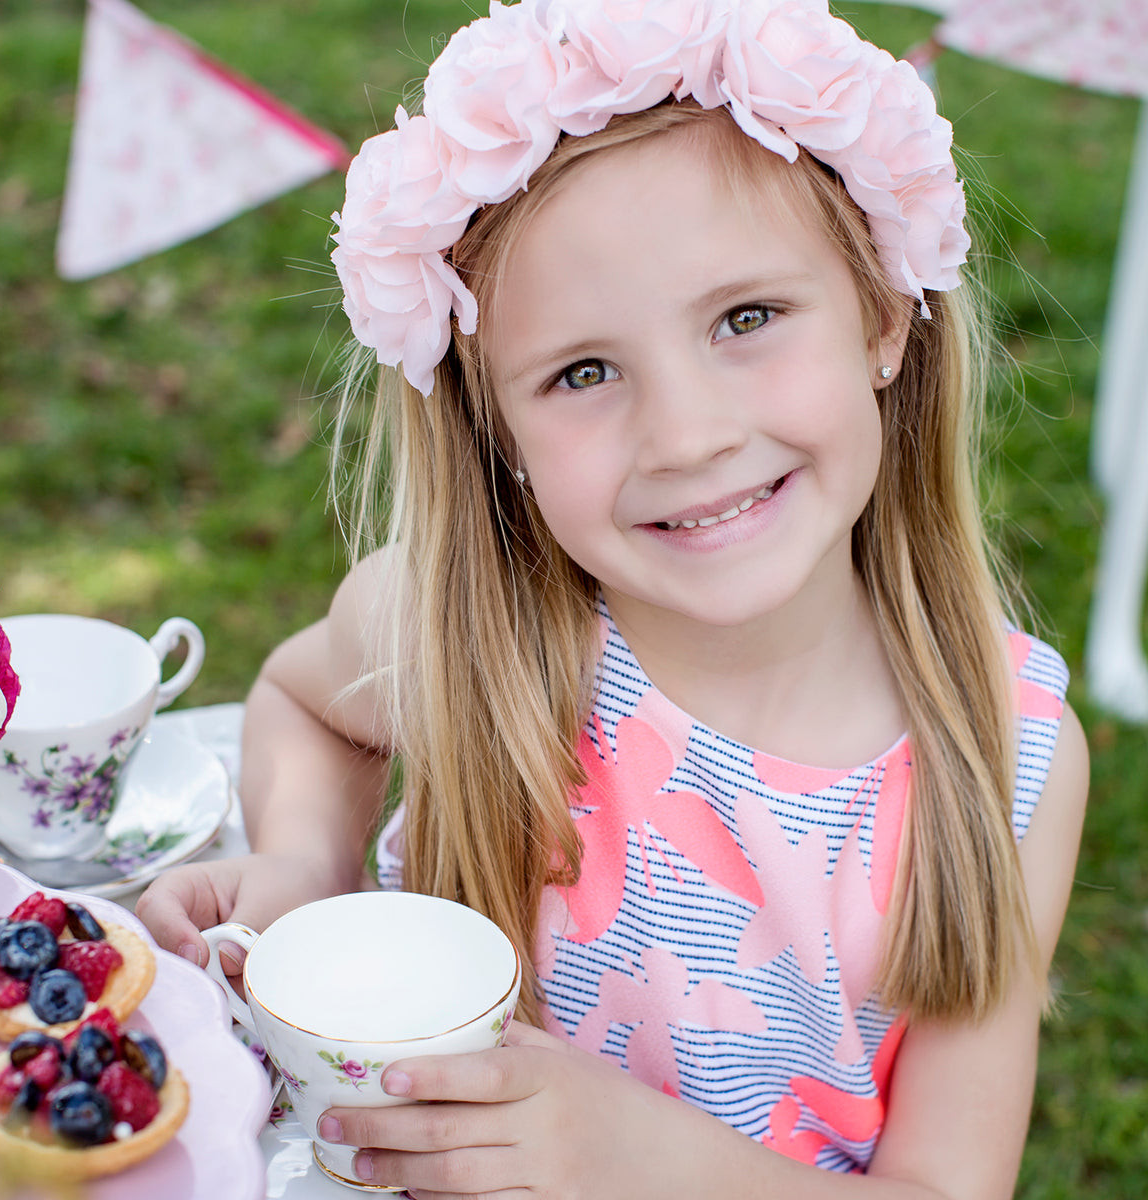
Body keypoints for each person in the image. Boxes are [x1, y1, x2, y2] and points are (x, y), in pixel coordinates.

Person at [136, 1, 1089, 1195]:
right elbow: (306, 697)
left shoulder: (1003, 758)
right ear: (498, 434)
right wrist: (301, 864)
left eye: (748, 318)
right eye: (584, 372)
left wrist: (627, 1154)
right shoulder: (477, 635)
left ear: (885, 318)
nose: (687, 436)